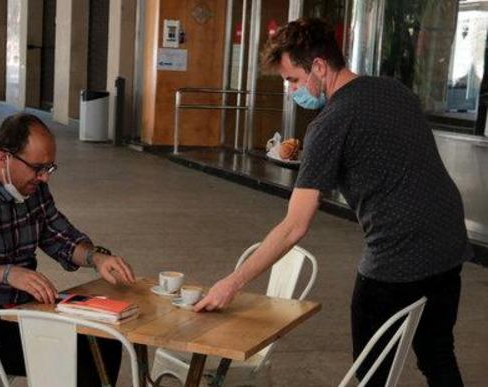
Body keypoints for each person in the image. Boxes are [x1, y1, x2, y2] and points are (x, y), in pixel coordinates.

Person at [194, 18, 471, 387]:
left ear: (320, 66)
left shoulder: (329, 124)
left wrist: (233, 282)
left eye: (292, 79)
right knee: (438, 355)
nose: (291, 91)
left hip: (397, 254)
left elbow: (295, 226)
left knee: (372, 370)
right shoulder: (392, 90)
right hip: (448, 242)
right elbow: (389, 158)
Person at [0, 112, 137, 385]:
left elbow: (60, 237)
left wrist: (97, 258)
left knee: (105, 337)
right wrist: (5, 274)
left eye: (50, 168)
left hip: (12, 311)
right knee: (79, 350)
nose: (44, 178)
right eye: (37, 168)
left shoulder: (30, 189)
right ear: (3, 158)